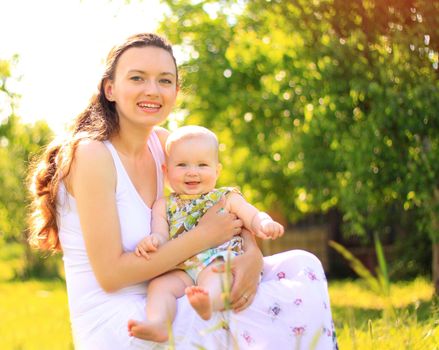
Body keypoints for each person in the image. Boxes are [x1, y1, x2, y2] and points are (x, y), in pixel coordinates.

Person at [28, 33, 338, 349]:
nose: (152, 90)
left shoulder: (161, 144)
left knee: (302, 265)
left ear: (176, 91)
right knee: (267, 309)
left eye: (164, 81)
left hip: (178, 289)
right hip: (129, 321)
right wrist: (202, 237)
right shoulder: (92, 155)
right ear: (110, 89)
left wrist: (252, 253)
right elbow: (111, 275)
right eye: (137, 78)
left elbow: (218, 205)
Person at [128, 125, 285, 341]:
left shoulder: (225, 197)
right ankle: (158, 324)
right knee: (159, 286)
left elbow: (251, 215)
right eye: (182, 165)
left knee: (215, 276)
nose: (192, 171)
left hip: (217, 260)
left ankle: (209, 303)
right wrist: (153, 240)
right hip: (183, 267)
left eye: (202, 165)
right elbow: (161, 234)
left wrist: (264, 223)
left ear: (217, 170)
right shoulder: (163, 205)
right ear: (166, 171)